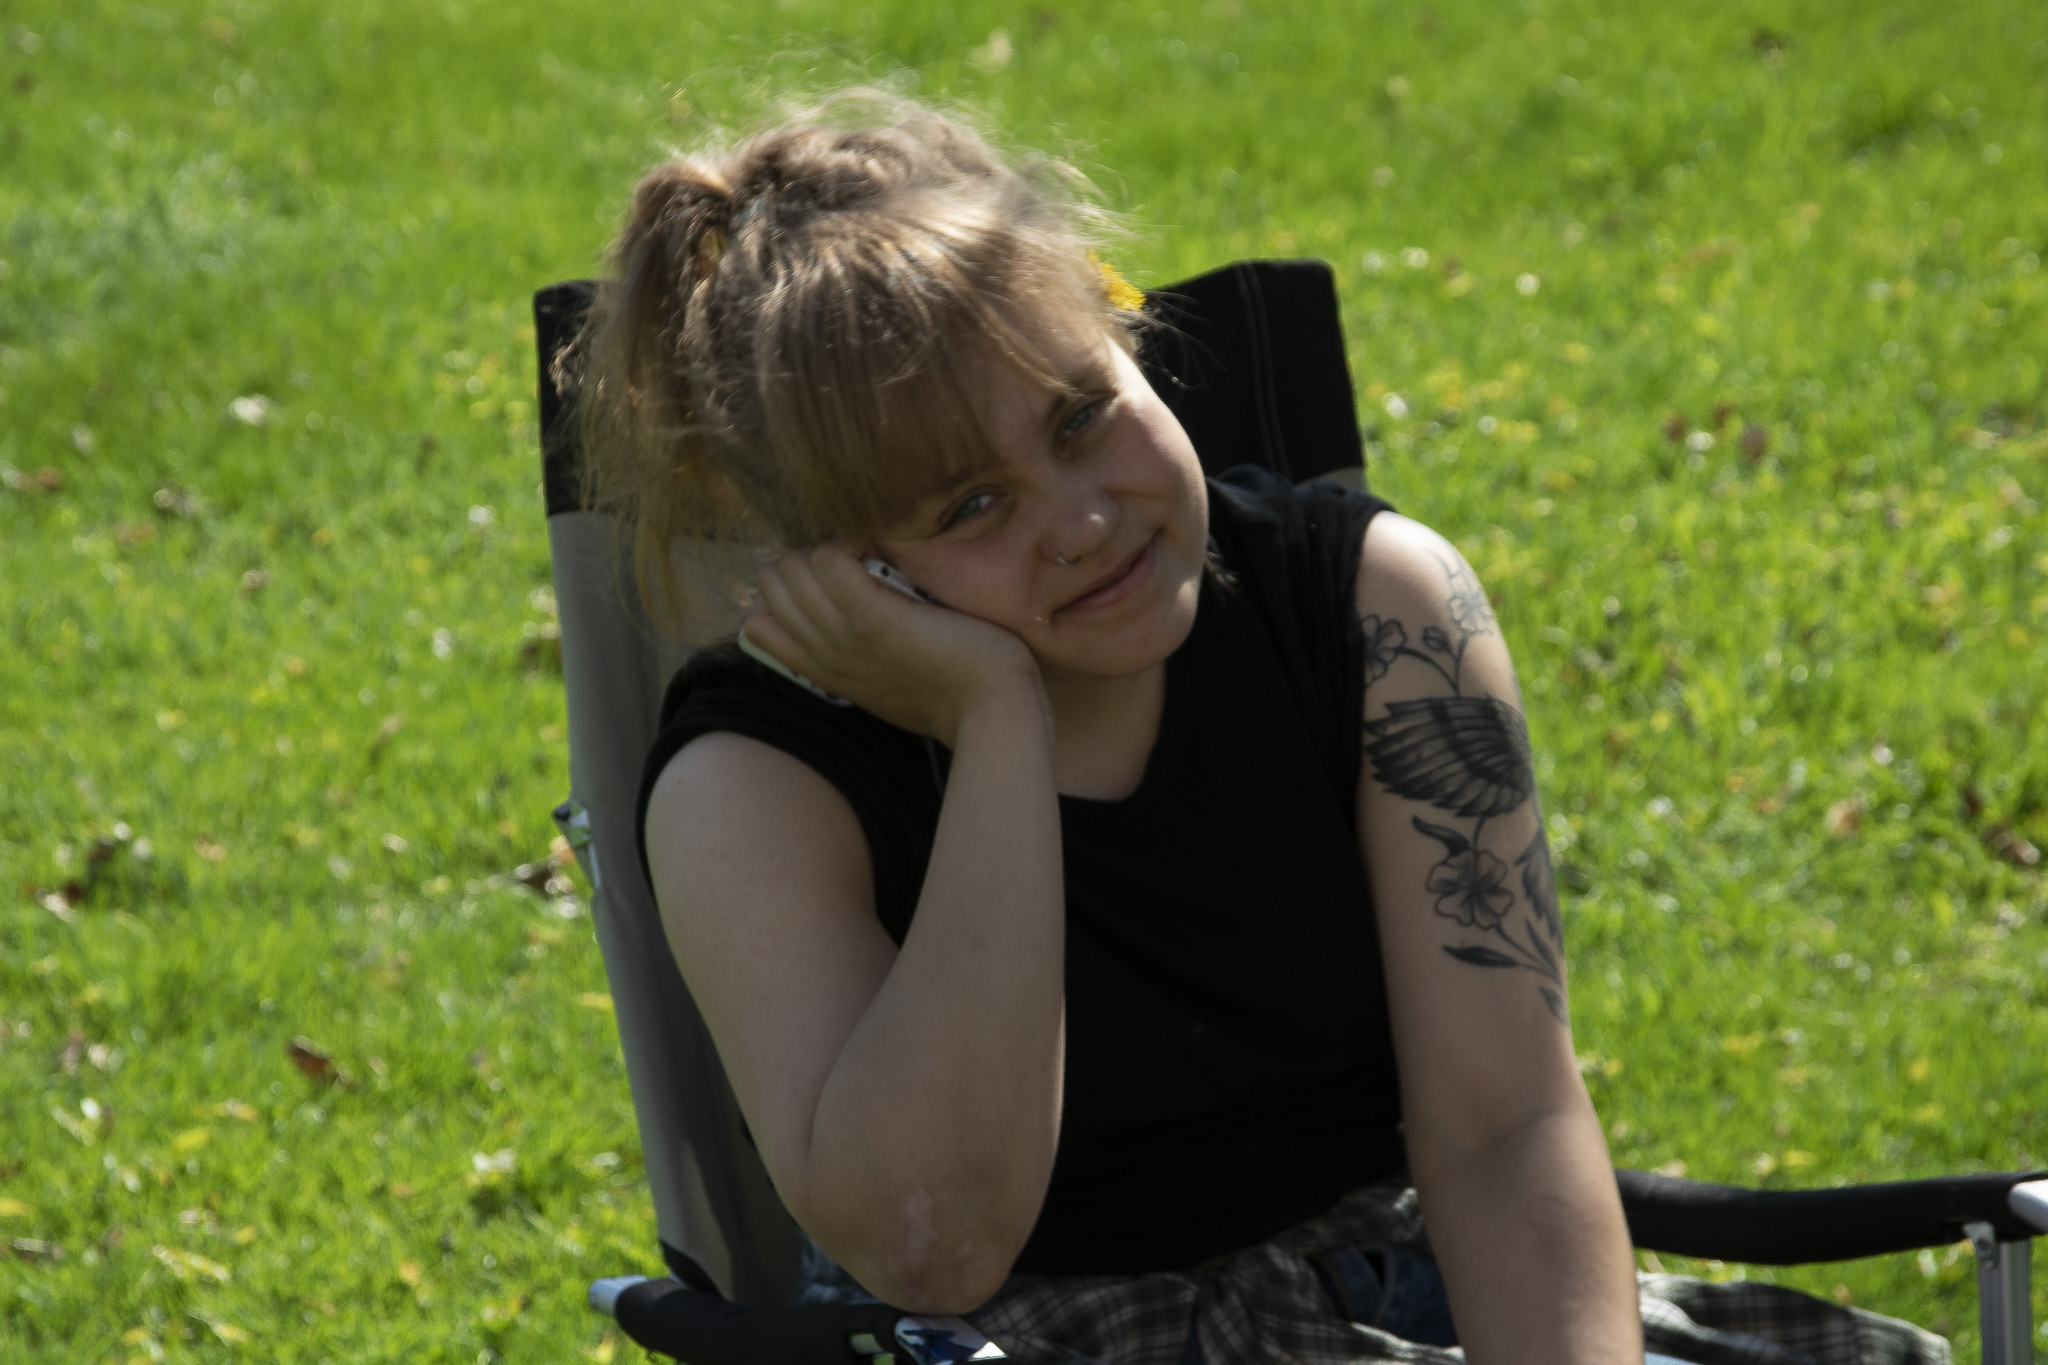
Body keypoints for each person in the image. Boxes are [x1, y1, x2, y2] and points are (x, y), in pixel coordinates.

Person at [573, 92, 1946, 1365]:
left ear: (1131, 340)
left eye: (1082, 414)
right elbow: (938, 1243)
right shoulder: (754, 782)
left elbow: (1504, 1130)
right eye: (969, 507)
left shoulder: (1378, 609)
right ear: (835, 560)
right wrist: (994, 728)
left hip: (1415, 1298)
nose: (1085, 518)